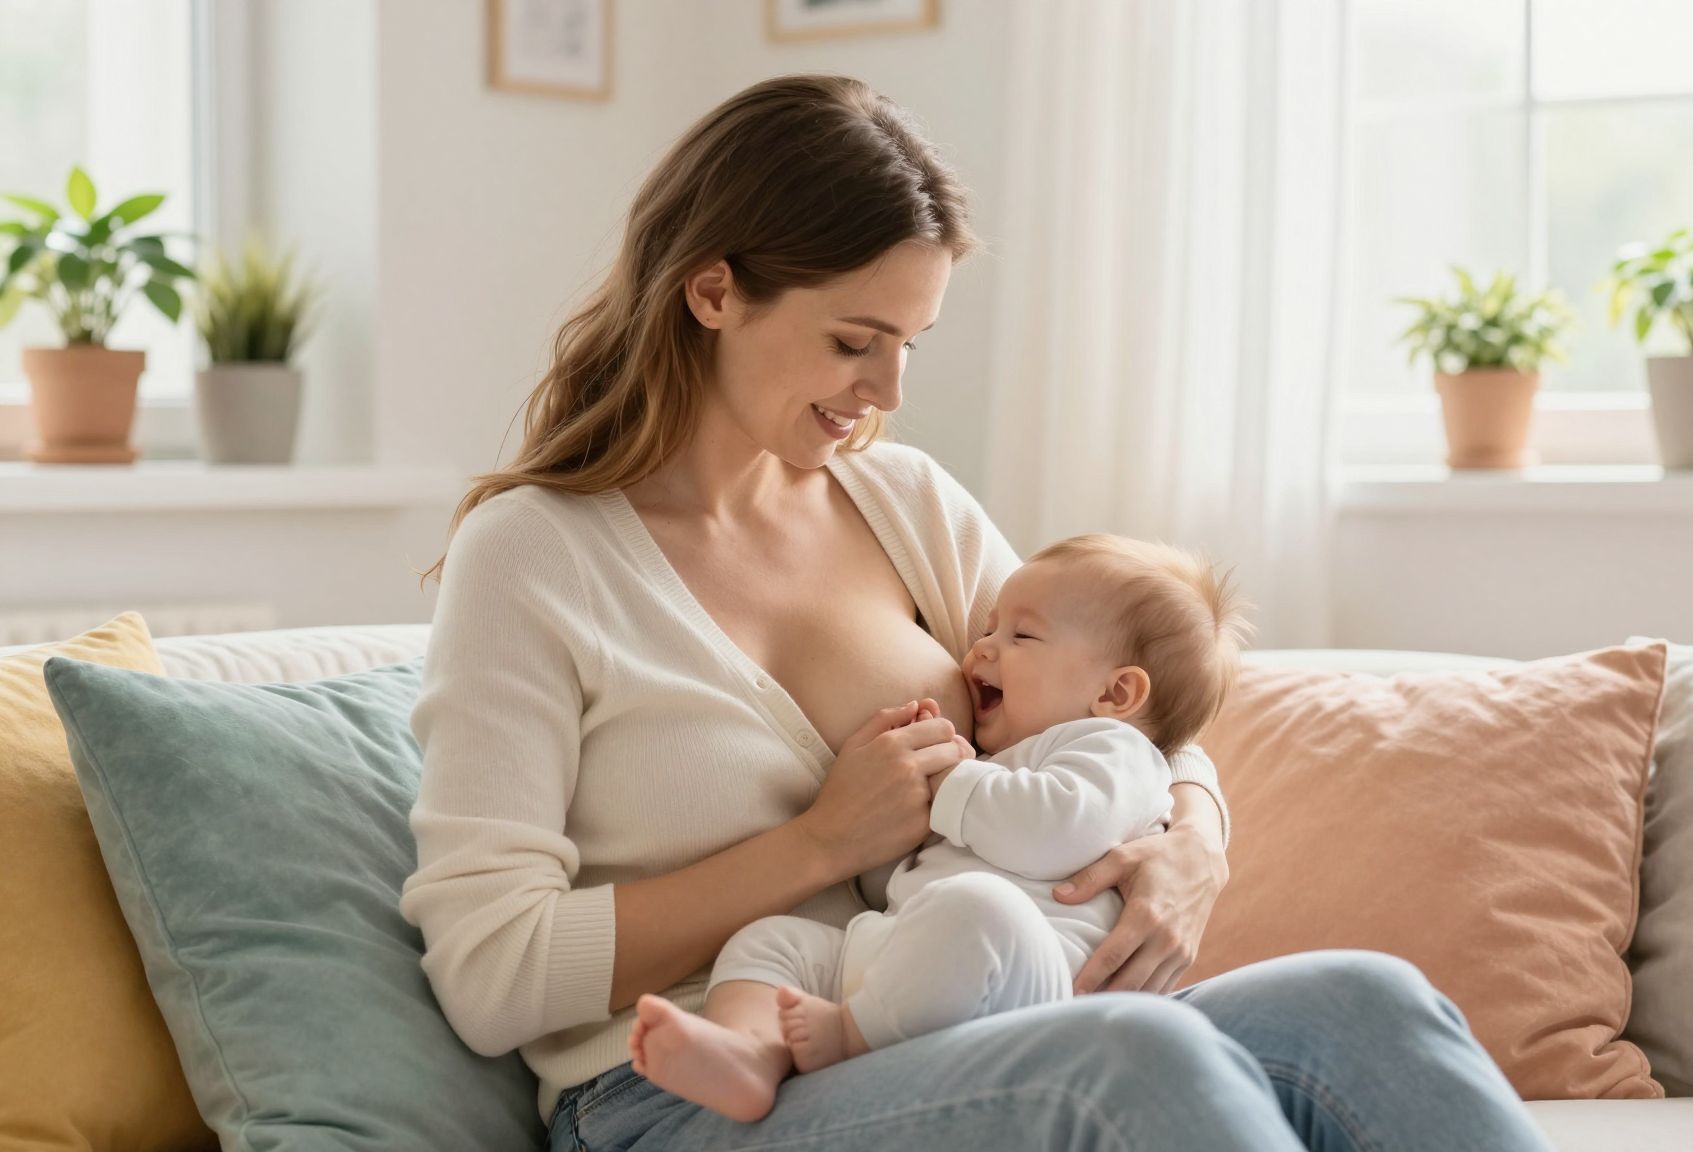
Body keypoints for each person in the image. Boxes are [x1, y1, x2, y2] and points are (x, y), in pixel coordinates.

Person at [402, 73, 1556, 1151]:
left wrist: (1193, 842)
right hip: (679, 1094)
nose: (887, 393)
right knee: (1125, 1059)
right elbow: (489, 971)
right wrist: (814, 846)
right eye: (854, 341)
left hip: (959, 1017)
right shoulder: (534, 557)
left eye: (908, 345)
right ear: (712, 291)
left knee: (1364, 1001)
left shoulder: (903, 503)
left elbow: (1132, 700)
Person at [627, 535, 1250, 1121]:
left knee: (977, 907)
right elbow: (894, 884)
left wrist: (945, 779)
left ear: (1116, 694)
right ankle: (748, 1048)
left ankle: (849, 1036)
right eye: (986, 629)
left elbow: (1050, 830)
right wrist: (876, 810)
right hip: (911, 952)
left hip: (1037, 978)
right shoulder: (1003, 764)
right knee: (773, 942)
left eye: (1021, 635)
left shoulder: (1115, 752)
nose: (980, 649)